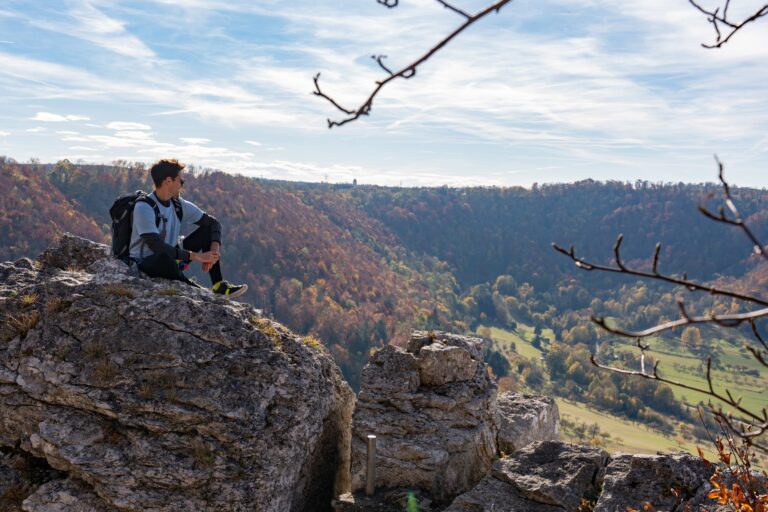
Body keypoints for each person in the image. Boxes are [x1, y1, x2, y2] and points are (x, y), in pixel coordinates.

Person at [129, 158, 247, 298]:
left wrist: (213, 252)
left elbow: (214, 224)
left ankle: (218, 285)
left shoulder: (178, 204)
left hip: (172, 257)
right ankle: (192, 287)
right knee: (163, 258)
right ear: (168, 181)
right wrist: (197, 256)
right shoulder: (144, 207)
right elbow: (157, 247)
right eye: (181, 181)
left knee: (207, 231)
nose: (182, 185)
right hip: (146, 262)